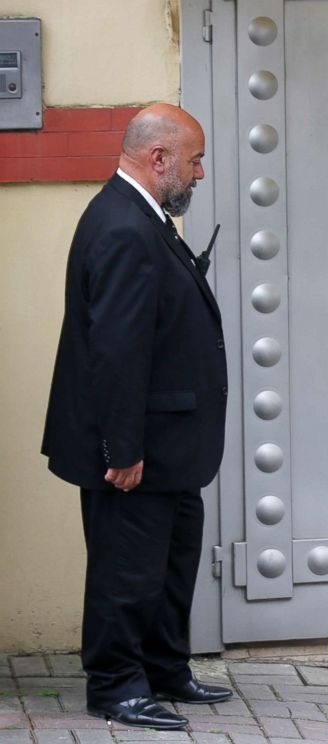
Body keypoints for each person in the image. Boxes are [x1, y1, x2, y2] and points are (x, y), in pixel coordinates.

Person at [41, 103, 231, 730]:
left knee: (172, 563)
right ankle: (117, 685)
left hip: (171, 443)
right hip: (136, 447)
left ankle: (163, 668)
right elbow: (116, 351)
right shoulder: (123, 227)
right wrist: (121, 449)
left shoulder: (142, 218)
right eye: (194, 160)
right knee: (128, 569)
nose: (199, 173)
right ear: (159, 158)